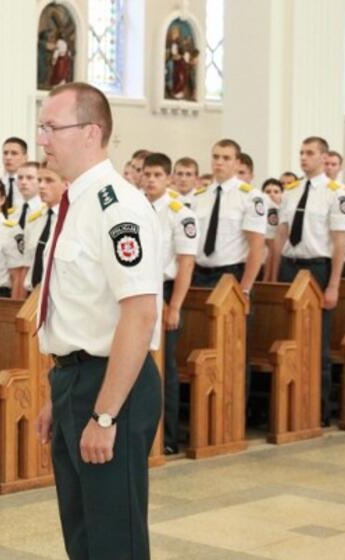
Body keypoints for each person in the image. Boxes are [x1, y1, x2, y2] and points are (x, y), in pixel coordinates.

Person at [34, 82, 161, 560]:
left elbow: (140, 311)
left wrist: (104, 414)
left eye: (52, 128)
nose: (42, 139)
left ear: (90, 132)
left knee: (114, 539)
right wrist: (60, 394)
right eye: (41, 127)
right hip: (77, 379)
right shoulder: (76, 202)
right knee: (83, 535)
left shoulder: (117, 206)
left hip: (113, 387)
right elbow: (80, 308)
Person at [272, 137, 345, 427]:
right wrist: (275, 276)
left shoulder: (336, 194)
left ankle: (319, 409)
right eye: (301, 152)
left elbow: (340, 243)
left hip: (318, 268)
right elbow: (281, 234)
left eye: (310, 153)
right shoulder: (291, 192)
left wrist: (334, 285)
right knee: (288, 337)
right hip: (290, 267)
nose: (303, 158)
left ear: (324, 156)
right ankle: (289, 407)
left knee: (318, 341)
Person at [142, 153, 197, 455]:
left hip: (164, 290)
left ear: (168, 179)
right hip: (138, 290)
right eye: (147, 174)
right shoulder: (135, 207)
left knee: (166, 367)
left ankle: (168, 436)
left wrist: (174, 305)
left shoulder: (180, 213)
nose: (150, 180)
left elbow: (186, 264)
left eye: (157, 175)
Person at [191, 139, 266, 292]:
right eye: (215, 157)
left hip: (231, 274)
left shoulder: (250, 197)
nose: (219, 162)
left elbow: (257, 247)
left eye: (226, 158)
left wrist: (245, 288)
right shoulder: (199, 196)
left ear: (237, 163)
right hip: (198, 274)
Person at [22, 163, 67, 294]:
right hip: (33, 294)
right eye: (40, 180)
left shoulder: (71, 220)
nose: (41, 186)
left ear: (66, 184)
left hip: (58, 296)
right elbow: (27, 265)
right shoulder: (34, 220)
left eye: (49, 180)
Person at [262, 178, 284, 280]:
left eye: (276, 192)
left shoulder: (282, 210)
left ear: (282, 194)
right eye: (268, 192)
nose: (272, 194)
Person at [12, 161, 43, 228]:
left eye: (29, 178)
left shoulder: (45, 211)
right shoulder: (13, 212)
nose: (23, 182)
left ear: (40, 180)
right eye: (20, 178)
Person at [1, 137, 28, 211]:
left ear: (25, 158)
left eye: (14, 153)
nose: (8, 157)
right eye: (5, 153)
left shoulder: (32, 185)